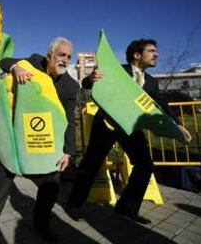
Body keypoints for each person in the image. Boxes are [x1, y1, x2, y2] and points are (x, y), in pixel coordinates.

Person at [67, 39, 192, 224]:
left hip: (130, 127)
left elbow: (160, 105)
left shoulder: (151, 82)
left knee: (145, 165)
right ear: (137, 55)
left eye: (156, 51)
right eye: (151, 51)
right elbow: (87, 83)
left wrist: (177, 124)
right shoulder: (118, 70)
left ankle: (127, 208)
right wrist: (90, 79)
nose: (156, 54)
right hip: (106, 125)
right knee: (91, 164)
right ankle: (74, 205)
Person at [0, 37, 79, 241]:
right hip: (16, 136)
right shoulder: (34, 62)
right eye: (61, 55)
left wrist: (68, 152)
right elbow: (5, 61)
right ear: (49, 56)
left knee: (50, 185)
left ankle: (41, 225)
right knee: (4, 176)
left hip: (44, 142)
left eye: (69, 57)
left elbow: (70, 120)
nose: (65, 59)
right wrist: (16, 68)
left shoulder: (70, 86)